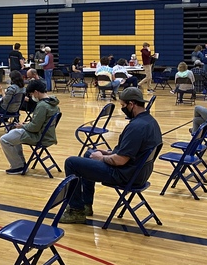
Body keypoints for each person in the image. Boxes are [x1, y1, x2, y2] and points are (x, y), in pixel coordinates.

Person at [61, 87, 161, 224]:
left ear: (131, 104)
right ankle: (86, 204)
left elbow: (120, 160)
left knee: (71, 163)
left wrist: (101, 158)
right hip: (140, 172)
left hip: (124, 174)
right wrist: (107, 153)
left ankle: (76, 210)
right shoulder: (150, 122)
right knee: (89, 153)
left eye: (123, 106)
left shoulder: (136, 127)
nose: (122, 109)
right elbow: (131, 151)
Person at [0, 79, 59, 175]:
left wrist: (23, 126)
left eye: (31, 94)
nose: (32, 97)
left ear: (36, 92)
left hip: (39, 137)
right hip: (47, 135)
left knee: (4, 139)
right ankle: (20, 164)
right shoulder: (53, 103)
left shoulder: (42, 106)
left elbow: (34, 127)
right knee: (13, 135)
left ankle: (18, 166)